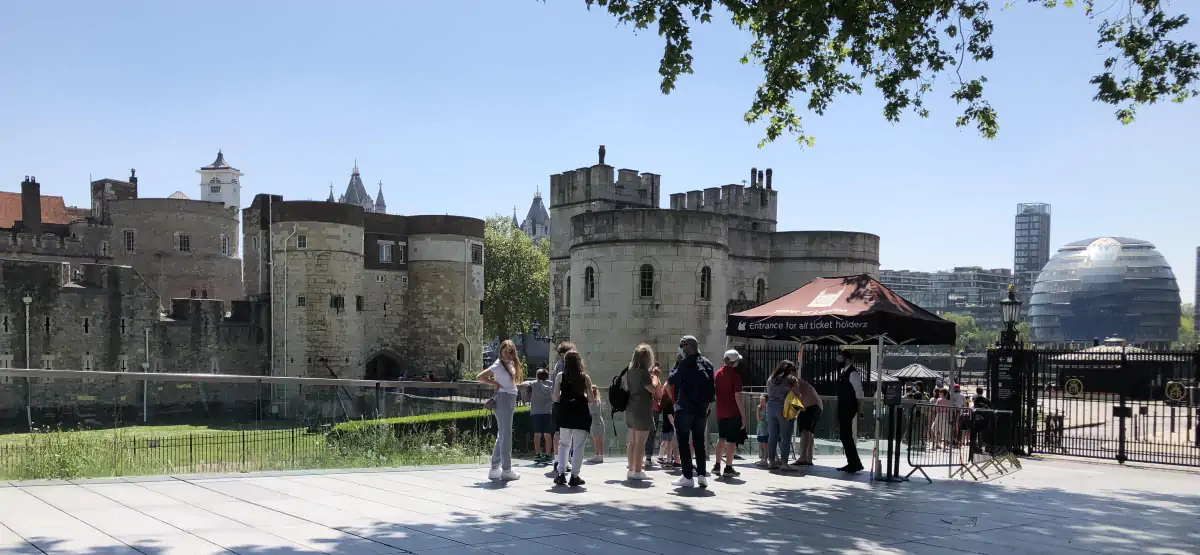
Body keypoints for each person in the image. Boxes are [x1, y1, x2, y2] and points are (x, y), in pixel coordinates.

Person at [668, 335, 716, 488]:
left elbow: (671, 380)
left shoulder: (684, 363)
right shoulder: (708, 364)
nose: (680, 348)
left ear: (688, 347)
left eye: (682, 345)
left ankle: (688, 476)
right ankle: (702, 475)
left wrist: (676, 364)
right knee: (699, 442)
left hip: (685, 408)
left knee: (683, 442)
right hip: (702, 409)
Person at [477, 339, 522, 481]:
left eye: (511, 352)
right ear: (501, 352)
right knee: (506, 435)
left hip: (508, 398)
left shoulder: (509, 364)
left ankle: (495, 468)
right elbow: (480, 377)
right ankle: (506, 469)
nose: (509, 355)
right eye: (506, 352)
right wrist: (495, 383)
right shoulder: (498, 365)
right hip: (504, 399)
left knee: (502, 434)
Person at [552, 351, 593, 487]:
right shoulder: (585, 378)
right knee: (579, 446)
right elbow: (591, 400)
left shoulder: (560, 376)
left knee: (564, 444)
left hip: (565, 412)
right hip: (581, 412)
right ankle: (575, 475)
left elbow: (555, 397)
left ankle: (561, 474)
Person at [624, 344, 659, 481]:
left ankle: (631, 469)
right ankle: (638, 471)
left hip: (631, 406)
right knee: (640, 442)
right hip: (642, 408)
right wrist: (655, 376)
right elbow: (652, 389)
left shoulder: (630, 370)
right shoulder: (643, 372)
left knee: (632, 441)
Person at [713, 349, 745, 478]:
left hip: (720, 412)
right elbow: (738, 397)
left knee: (721, 439)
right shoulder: (736, 377)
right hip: (733, 413)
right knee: (731, 441)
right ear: (735, 362)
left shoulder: (717, 374)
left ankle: (716, 465)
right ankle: (728, 467)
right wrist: (743, 415)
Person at [764, 360, 801, 472]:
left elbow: (768, 393)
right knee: (785, 436)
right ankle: (784, 463)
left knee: (772, 436)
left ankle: (771, 461)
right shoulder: (790, 380)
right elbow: (798, 393)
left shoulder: (771, 378)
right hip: (783, 410)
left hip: (770, 408)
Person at [835, 350, 864, 473]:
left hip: (848, 406)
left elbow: (859, 393)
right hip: (844, 405)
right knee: (844, 435)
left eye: (840, 358)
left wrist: (859, 409)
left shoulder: (852, 373)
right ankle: (853, 462)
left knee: (845, 435)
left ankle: (854, 463)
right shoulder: (845, 372)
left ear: (846, 359)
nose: (838, 361)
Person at [520, 368, 556, 464]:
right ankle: (548, 455)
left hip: (535, 412)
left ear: (537, 376)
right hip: (548, 412)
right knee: (548, 435)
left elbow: (523, 384)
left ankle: (537, 454)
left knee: (537, 434)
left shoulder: (534, 383)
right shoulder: (551, 384)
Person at [550, 341, 575, 473]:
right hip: (562, 402)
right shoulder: (563, 366)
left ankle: (559, 459)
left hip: (558, 402)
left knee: (560, 432)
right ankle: (562, 459)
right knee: (563, 432)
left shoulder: (559, 365)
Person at [792, 375, 823, 466]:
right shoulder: (800, 382)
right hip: (818, 406)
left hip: (809, 406)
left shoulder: (793, 382)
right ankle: (809, 457)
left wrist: (794, 412)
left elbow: (799, 397)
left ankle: (802, 458)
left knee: (805, 431)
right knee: (810, 432)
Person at [645, 363, 664, 470]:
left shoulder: (641, 377)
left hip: (641, 409)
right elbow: (659, 395)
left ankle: (634, 459)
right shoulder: (655, 379)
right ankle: (648, 458)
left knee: (638, 434)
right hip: (653, 409)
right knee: (651, 435)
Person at [657, 384, 678, 467]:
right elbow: (670, 416)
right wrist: (674, 425)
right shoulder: (669, 402)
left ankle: (660, 457)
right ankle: (669, 459)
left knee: (664, 442)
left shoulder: (664, 400)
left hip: (665, 425)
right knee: (669, 443)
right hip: (669, 425)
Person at [588, 385, 605, 463]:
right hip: (599, 420)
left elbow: (592, 411)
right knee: (600, 439)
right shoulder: (598, 400)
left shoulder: (593, 401)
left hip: (595, 421)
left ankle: (597, 455)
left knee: (596, 439)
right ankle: (600, 456)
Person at [755, 394, 769, 467]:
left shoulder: (768, 408)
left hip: (766, 429)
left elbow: (764, 418)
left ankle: (765, 459)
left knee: (765, 445)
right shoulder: (759, 407)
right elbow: (758, 418)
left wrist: (762, 417)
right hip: (760, 428)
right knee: (761, 445)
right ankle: (762, 459)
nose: (762, 402)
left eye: (763, 401)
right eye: (761, 401)